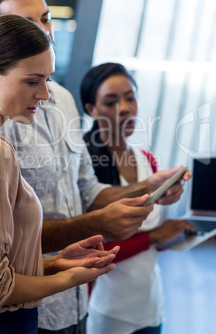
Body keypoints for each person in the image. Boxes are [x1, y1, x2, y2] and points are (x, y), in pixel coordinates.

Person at [0, 0, 190, 334]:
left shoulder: (61, 98)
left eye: (45, 18)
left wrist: (145, 187)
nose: (43, 32)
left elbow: (86, 190)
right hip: (26, 311)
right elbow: (2, 242)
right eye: (25, 24)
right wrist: (99, 224)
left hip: (78, 303)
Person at [0, 15, 124, 333]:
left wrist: (56, 262)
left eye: (47, 80)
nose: (44, 94)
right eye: (32, 81)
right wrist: (68, 278)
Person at [80, 63, 195, 334]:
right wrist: (155, 237)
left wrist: (176, 233)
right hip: (107, 308)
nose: (125, 108)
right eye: (111, 102)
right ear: (91, 110)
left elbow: (151, 235)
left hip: (150, 302)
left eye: (130, 98)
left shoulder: (148, 160)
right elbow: (88, 250)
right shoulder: (85, 167)